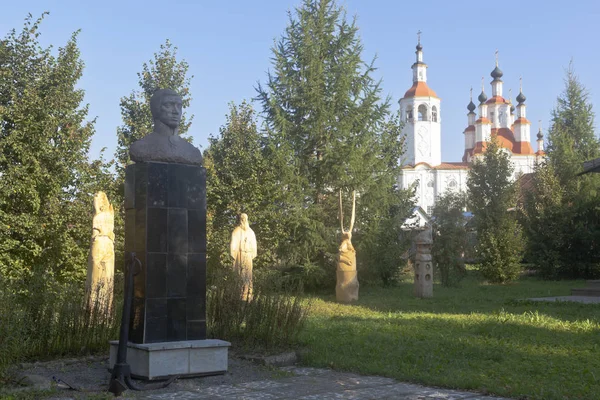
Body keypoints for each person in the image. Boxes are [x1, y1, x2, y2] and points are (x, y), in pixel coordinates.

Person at [129, 89, 203, 165]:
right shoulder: (141, 148)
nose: (176, 111)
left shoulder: (192, 152)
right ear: (156, 109)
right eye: (168, 105)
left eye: (179, 106)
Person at [230, 214, 257, 300]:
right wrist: (235, 255)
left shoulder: (251, 232)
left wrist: (250, 254)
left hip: (248, 255)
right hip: (240, 255)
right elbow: (233, 246)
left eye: (245, 219)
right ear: (240, 220)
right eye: (243, 219)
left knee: (248, 275)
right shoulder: (236, 231)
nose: (244, 220)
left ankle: (248, 295)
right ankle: (239, 295)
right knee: (240, 274)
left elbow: (254, 247)